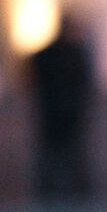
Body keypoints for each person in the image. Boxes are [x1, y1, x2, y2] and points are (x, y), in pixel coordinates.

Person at [28, 15, 95, 201]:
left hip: (65, 113)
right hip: (56, 113)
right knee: (55, 154)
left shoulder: (70, 54)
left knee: (70, 154)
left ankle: (77, 193)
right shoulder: (52, 55)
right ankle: (52, 193)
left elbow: (84, 83)